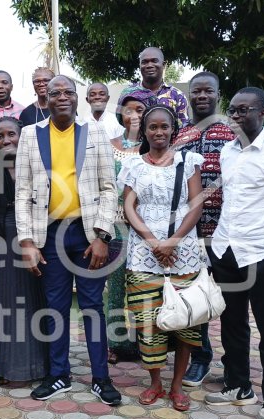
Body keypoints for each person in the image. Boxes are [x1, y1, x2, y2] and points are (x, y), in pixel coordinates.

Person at [16, 75, 121, 406]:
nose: (62, 97)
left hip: (87, 234)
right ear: (45, 99)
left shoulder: (95, 133)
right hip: (49, 235)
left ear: (77, 99)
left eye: (67, 92)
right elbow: (22, 192)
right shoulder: (30, 135)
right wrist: (28, 241)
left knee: (92, 307)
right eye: (54, 93)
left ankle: (101, 378)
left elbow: (109, 188)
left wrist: (103, 235)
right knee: (56, 307)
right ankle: (58, 374)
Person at [203, 87, 264, 419]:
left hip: (260, 252)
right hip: (227, 249)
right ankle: (238, 385)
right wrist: (217, 244)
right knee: (231, 323)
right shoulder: (228, 152)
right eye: (233, 110)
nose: (237, 116)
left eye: (245, 110)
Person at [119, 105, 203, 411]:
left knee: (185, 321)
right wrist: (155, 242)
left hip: (183, 251)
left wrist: (173, 241)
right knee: (147, 321)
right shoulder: (134, 166)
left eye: (164, 127)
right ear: (144, 132)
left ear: (173, 130)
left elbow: (196, 205)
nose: (158, 132)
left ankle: (177, 385)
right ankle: (155, 383)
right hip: (144, 253)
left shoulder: (189, 161)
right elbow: (129, 207)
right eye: (152, 127)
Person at [174, 71, 236, 387]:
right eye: (196, 91)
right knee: (195, 299)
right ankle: (200, 359)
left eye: (207, 91)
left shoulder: (232, 135)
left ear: (217, 94)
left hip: (223, 233)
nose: (201, 96)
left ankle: (235, 365)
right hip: (188, 235)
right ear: (189, 96)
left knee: (228, 299)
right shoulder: (179, 135)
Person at [0, 117, 48, 385]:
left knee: (33, 301)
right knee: (5, 302)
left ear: (23, 138)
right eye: (0, 136)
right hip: (1, 240)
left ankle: (38, 367)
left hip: (34, 235)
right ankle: (7, 368)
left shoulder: (38, 166)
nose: (6, 140)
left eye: (12, 134)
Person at [105, 88, 159, 364]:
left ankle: (145, 343)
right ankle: (115, 344)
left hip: (146, 230)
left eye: (140, 110)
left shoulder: (155, 147)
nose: (134, 115)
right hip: (116, 227)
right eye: (129, 110)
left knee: (143, 288)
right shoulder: (110, 144)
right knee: (115, 290)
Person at [120, 47, 189, 126]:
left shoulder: (177, 95)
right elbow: (122, 124)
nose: (149, 65)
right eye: (144, 62)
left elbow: (184, 129)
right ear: (140, 66)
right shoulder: (128, 94)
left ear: (163, 65)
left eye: (154, 61)